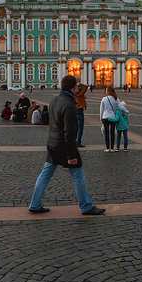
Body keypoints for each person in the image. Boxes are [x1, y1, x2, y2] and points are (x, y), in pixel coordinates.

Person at [27, 75, 105, 216]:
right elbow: (70, 133)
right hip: (64, 146)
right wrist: (72, 155)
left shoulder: (55, 100)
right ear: (73, 87)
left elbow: (52, 124)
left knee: (45, 175)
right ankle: (86, 207)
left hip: (52, 143)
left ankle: (34, 204)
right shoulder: (69, 105)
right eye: (76, 87)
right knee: (78, 175)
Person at [99, 86, 122, 152]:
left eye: (106, 90)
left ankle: (107, 148)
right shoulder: (116, 98)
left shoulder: (104, 99)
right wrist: (126, 111)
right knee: (112, 132)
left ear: (108, 91)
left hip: (105, 117)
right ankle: (112, 148)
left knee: (106, 133)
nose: (105, 92)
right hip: (113, 117)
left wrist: (101, 118)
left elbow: (102, 109)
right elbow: (119, 107)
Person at [74, 82, 88, 147]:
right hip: (79, 110)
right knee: (80, 128)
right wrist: (80, 84)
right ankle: (78, 142)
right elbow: (86, 87)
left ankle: (74, 141)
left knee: (75, 127)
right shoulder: (80, 94)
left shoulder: (73, 94)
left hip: (74, 110)